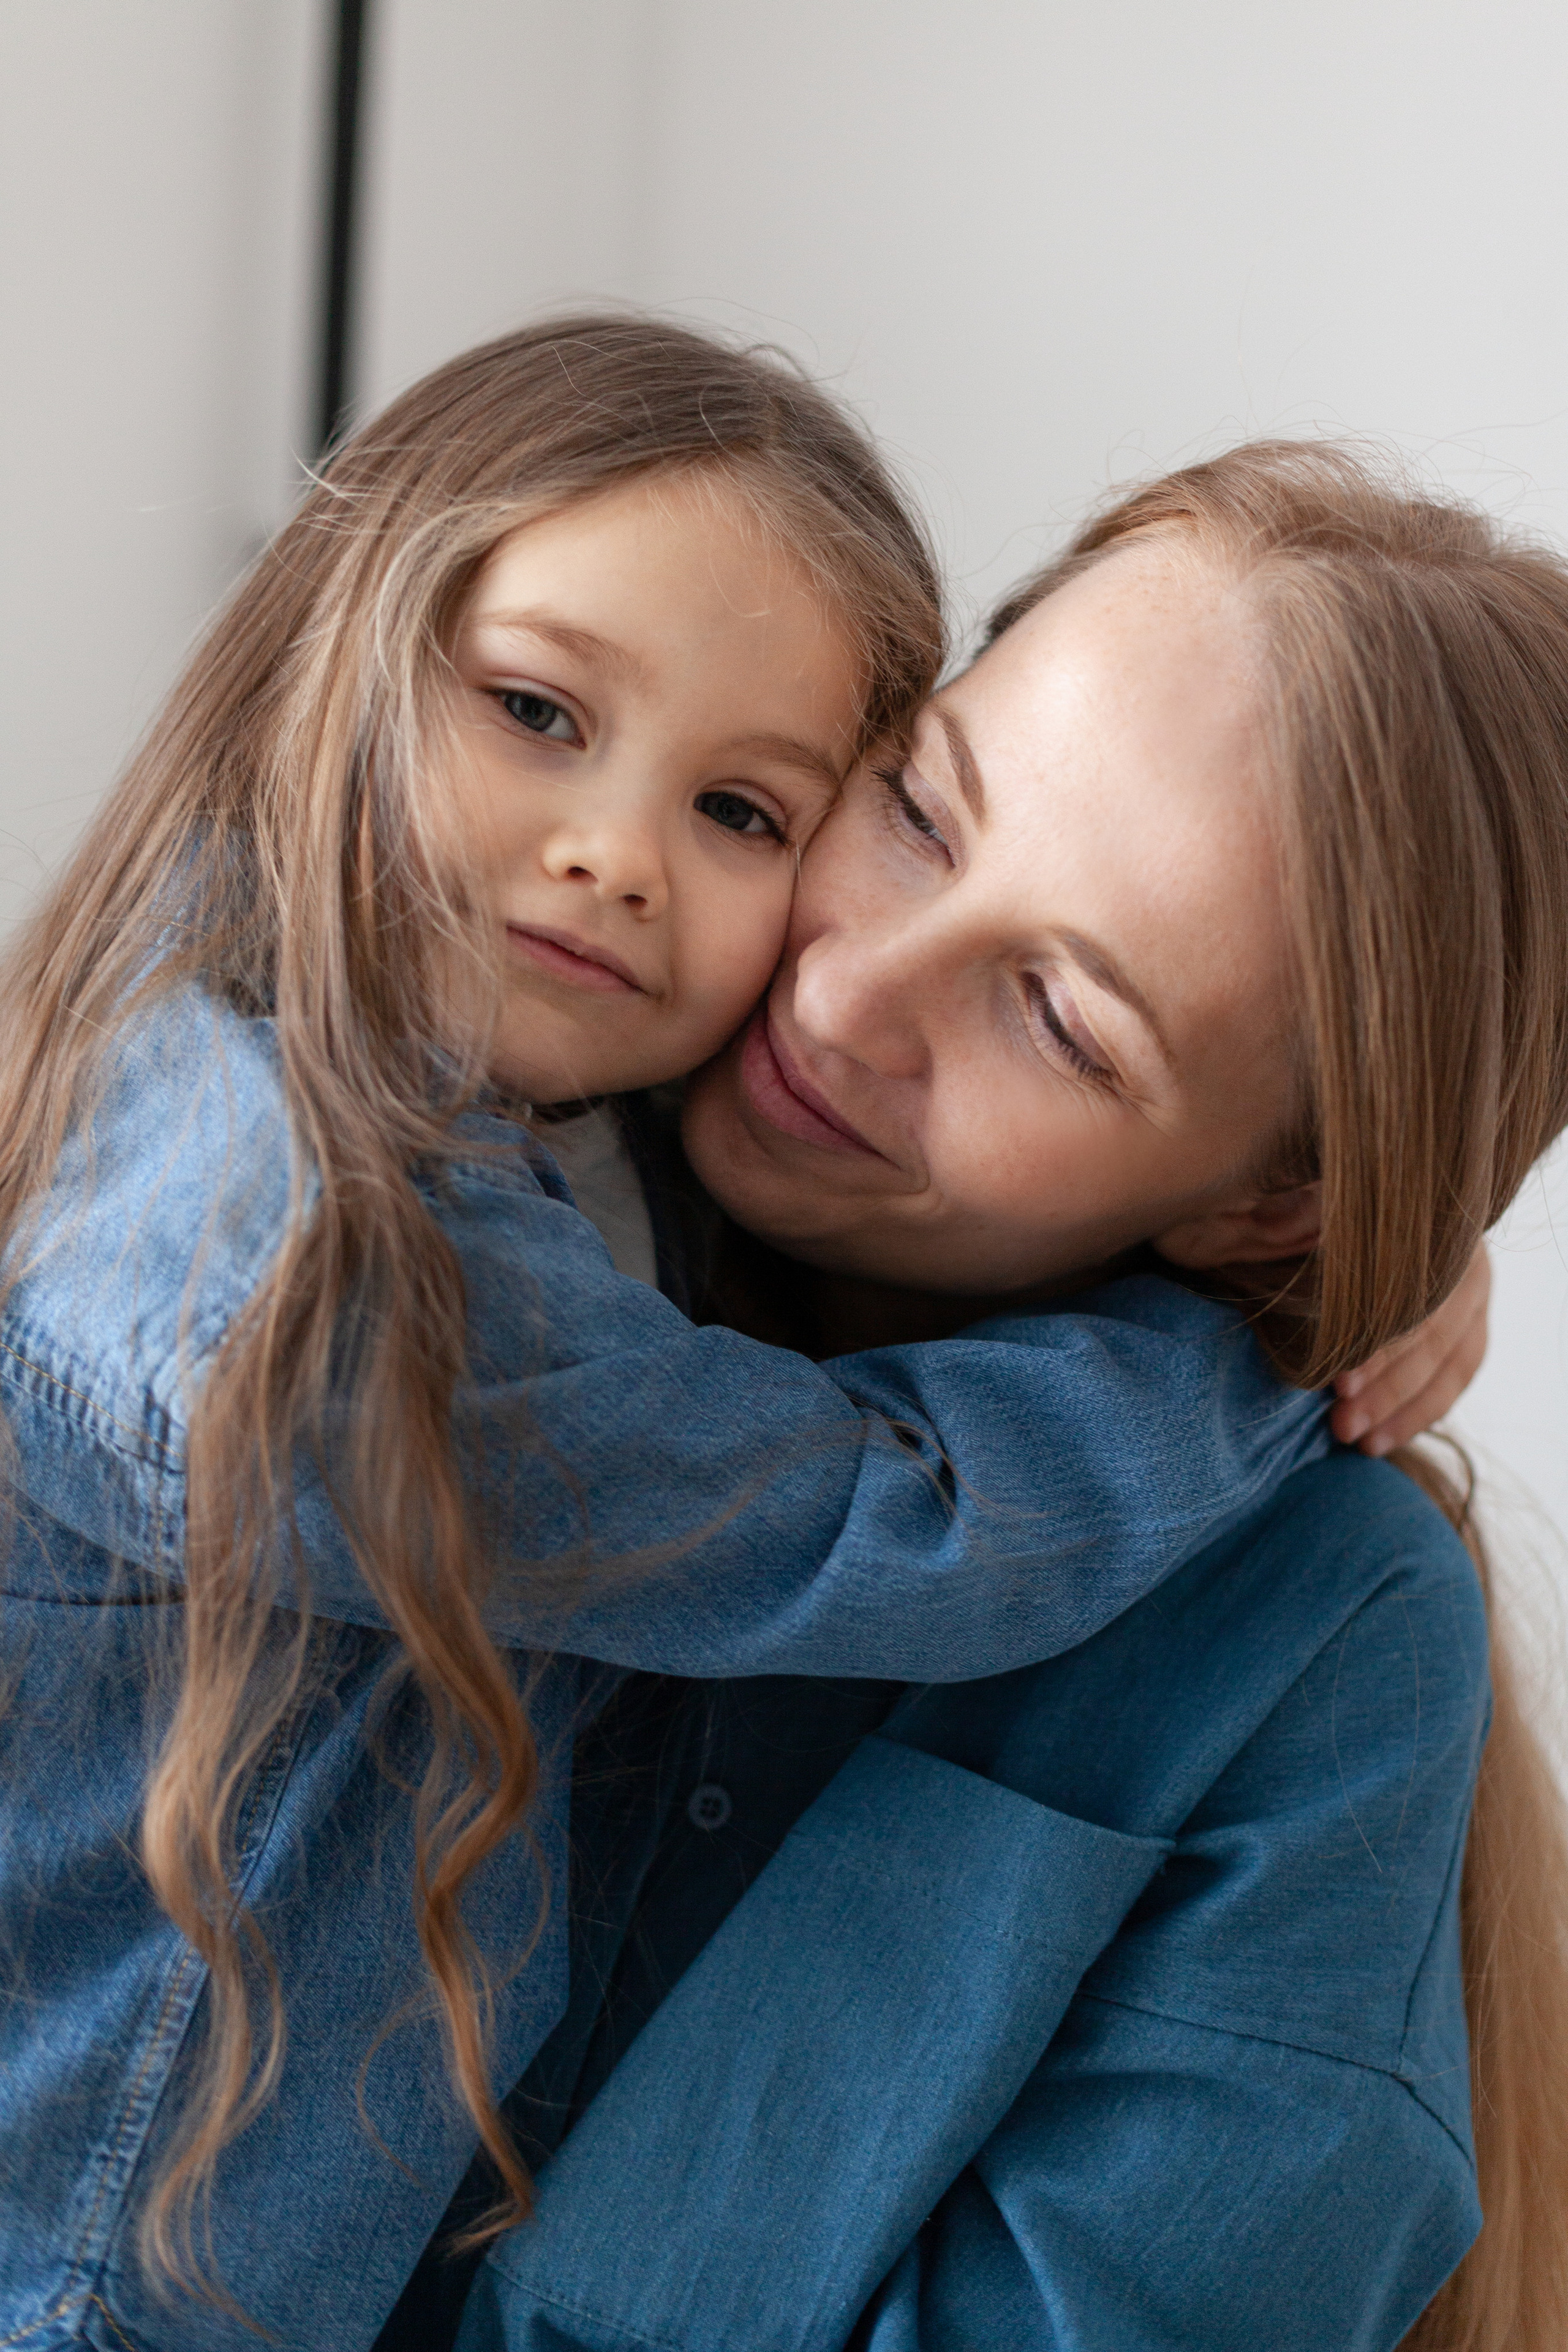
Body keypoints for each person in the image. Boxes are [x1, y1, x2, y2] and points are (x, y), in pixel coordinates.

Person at [0, 324, 1414, 2352]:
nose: (616, 856)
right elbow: (868, 1524)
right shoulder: (263, 1230)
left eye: (747, 811)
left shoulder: (560, 1143)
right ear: (333, 646)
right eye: (532, 709)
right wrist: (1256, 1344)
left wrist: (1345, 1233)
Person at [434, 446, 1568, 2351]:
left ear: (1268, 1198)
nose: (849, 998)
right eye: (918, 812)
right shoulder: (461, 1142)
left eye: (1059, 1017)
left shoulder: (1320, 1640)